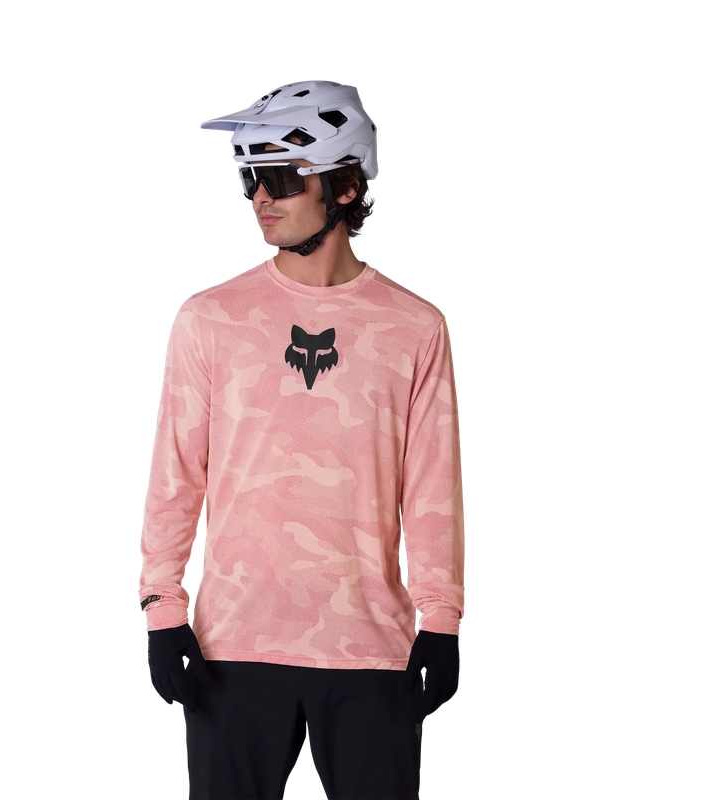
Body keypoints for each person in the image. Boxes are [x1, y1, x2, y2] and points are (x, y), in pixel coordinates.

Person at [138, 80, 465, 800]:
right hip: (232, 646)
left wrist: (441, 620)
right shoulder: (210, 318)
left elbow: (432, 486)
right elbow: (176, 473)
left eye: (283, 179)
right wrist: (162, 607)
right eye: (251, 179)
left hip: (371, 651)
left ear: (346, 186)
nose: (261, 197)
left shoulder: (414, 327)